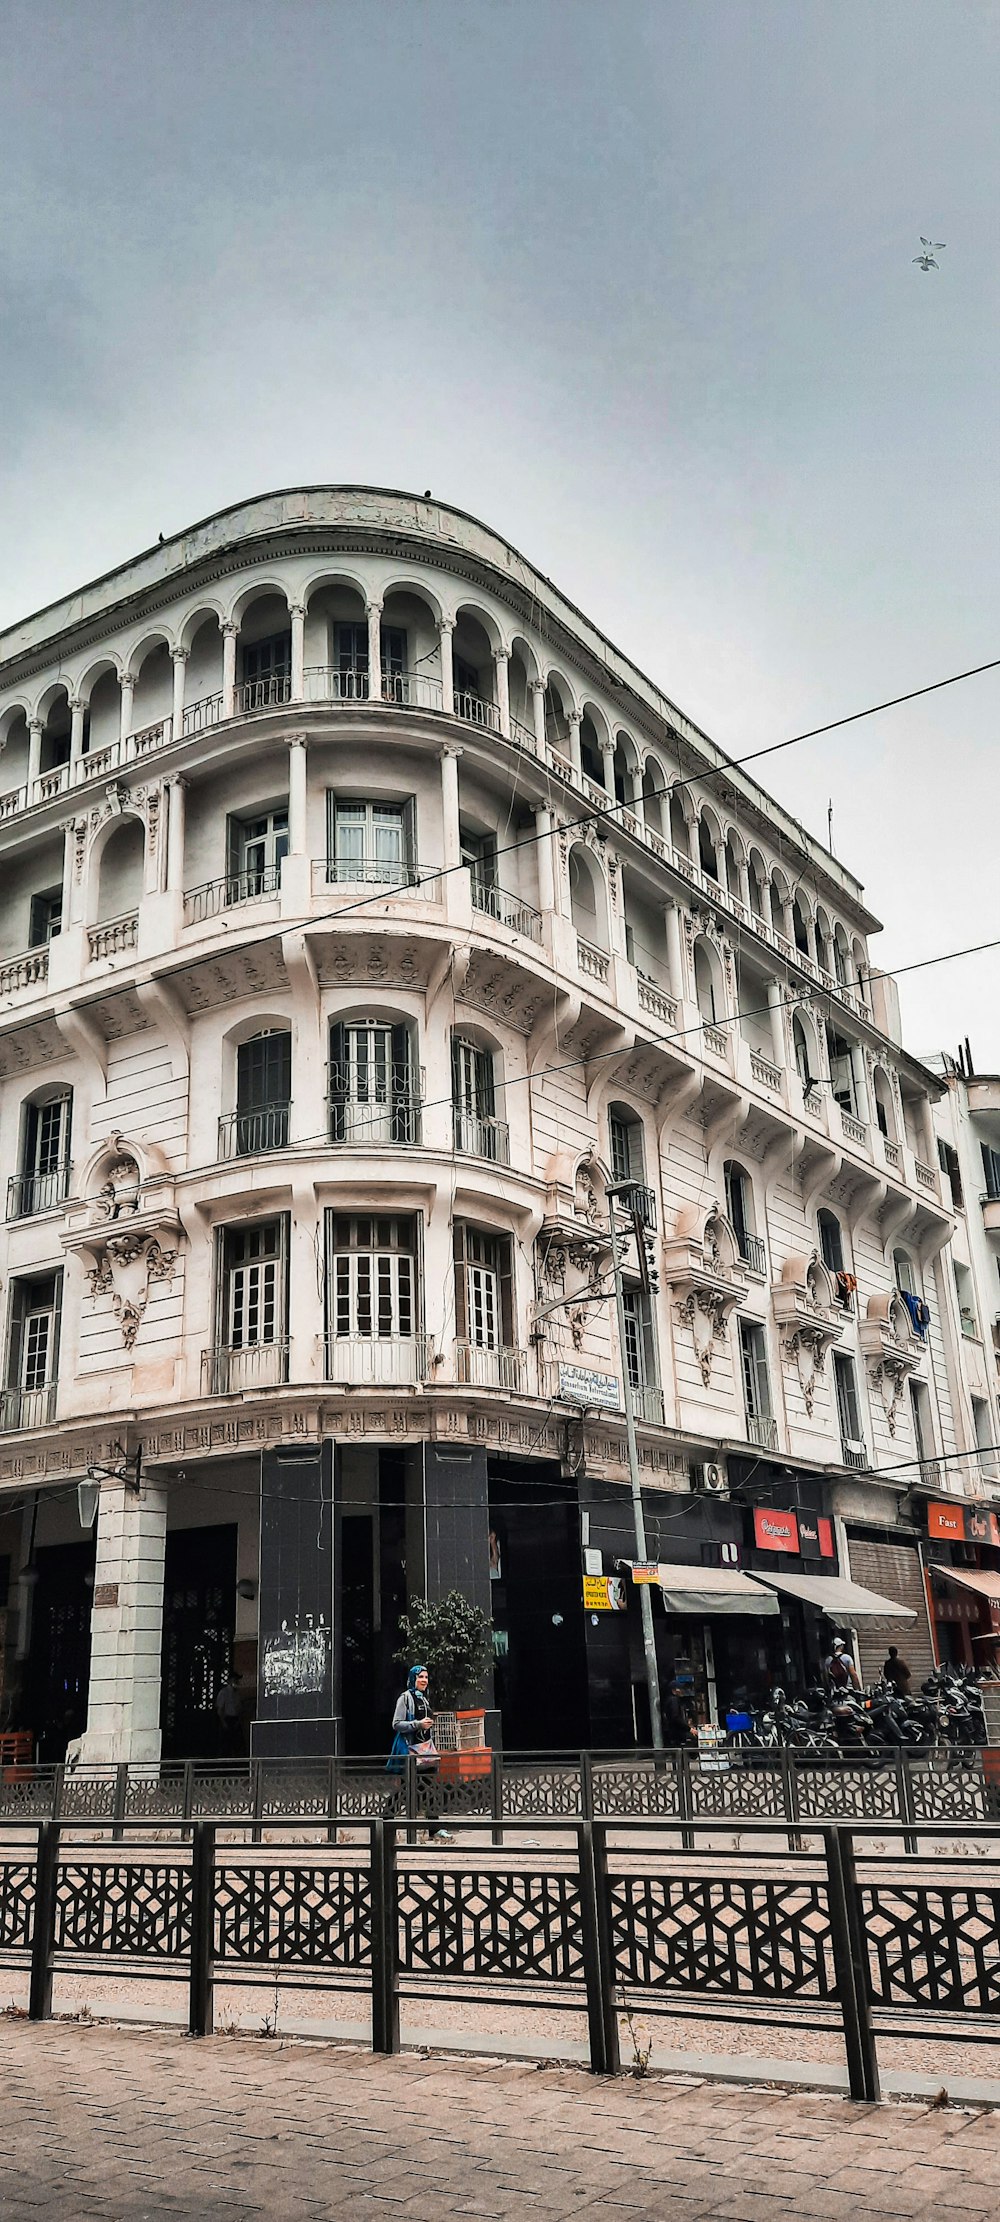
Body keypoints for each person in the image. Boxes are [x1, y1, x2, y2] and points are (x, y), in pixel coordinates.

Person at [389, 1665, 453, 1841]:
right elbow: (396, 1724)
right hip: (411, 1752)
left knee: (430, 1789)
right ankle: (385, 1822)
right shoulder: (406, 1698)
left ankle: (434, 1829)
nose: (424, 1680)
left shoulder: (424, 1698)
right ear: (413, 1679)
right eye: (420, 1677)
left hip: (425, 1751)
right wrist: (417, 1724)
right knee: (404, 1790)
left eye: (426, 1677)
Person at [214, 1670, 244, 1753]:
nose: (237, 1682)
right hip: (227, 1720)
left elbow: (239, 1708)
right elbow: (220, 1710)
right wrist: (223, 1722)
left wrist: (238, 1720)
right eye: (235, 1680)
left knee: (236, 1744)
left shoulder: (237, 1694)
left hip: (235, 1720)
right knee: (226, 1745)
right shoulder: (224, 1693)